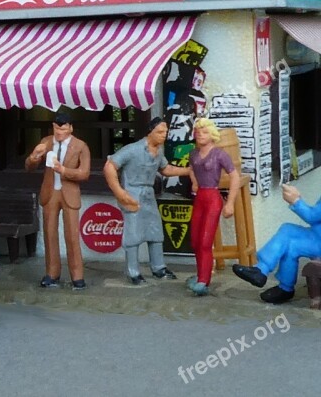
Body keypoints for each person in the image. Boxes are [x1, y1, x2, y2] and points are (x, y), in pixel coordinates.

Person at [104, 117, 191, 285]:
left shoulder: (158, 152)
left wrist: (188, 170)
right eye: (159, 132)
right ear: (150, 132)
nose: (163, 135)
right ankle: (132, 271)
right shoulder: (133, 149)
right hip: (132, 194)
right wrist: (119, 192)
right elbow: (110, 166)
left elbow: (165, 169)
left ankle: (158, 267)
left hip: (149, 194)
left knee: (155, 231)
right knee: (133, 233)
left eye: (165, 132)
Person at [25, 112, 90, 290]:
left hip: (69, 192)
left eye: (63, 128)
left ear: (70, 128)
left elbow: (84, 173)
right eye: (56, 128)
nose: (59, 132)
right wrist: (34, 156)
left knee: (71, 236)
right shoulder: (46, 142)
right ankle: (52, 273)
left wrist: (64, 170)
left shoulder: (80, 146)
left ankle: (77, 276)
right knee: (49, 234)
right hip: (50, 192)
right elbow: (29, 167)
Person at [232, 184, 321, 304]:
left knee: (289, 238)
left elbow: (312, 216)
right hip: (316, 236)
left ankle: (265, 272)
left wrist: (296, 201)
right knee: (289, 236)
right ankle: (280, 284)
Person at [186, 118, 239, 296]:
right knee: (195, 240)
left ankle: (203, 280)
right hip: (200, 197)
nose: (200, 134)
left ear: (212, 134)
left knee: (206, 241)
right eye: (198, 131)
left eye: (205, 131)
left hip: (213, 198)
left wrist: (230, 202)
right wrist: (194, 182)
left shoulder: (219, 154)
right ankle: (201, 274)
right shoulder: (193, 154)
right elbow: (191, 169)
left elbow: (235, 176)